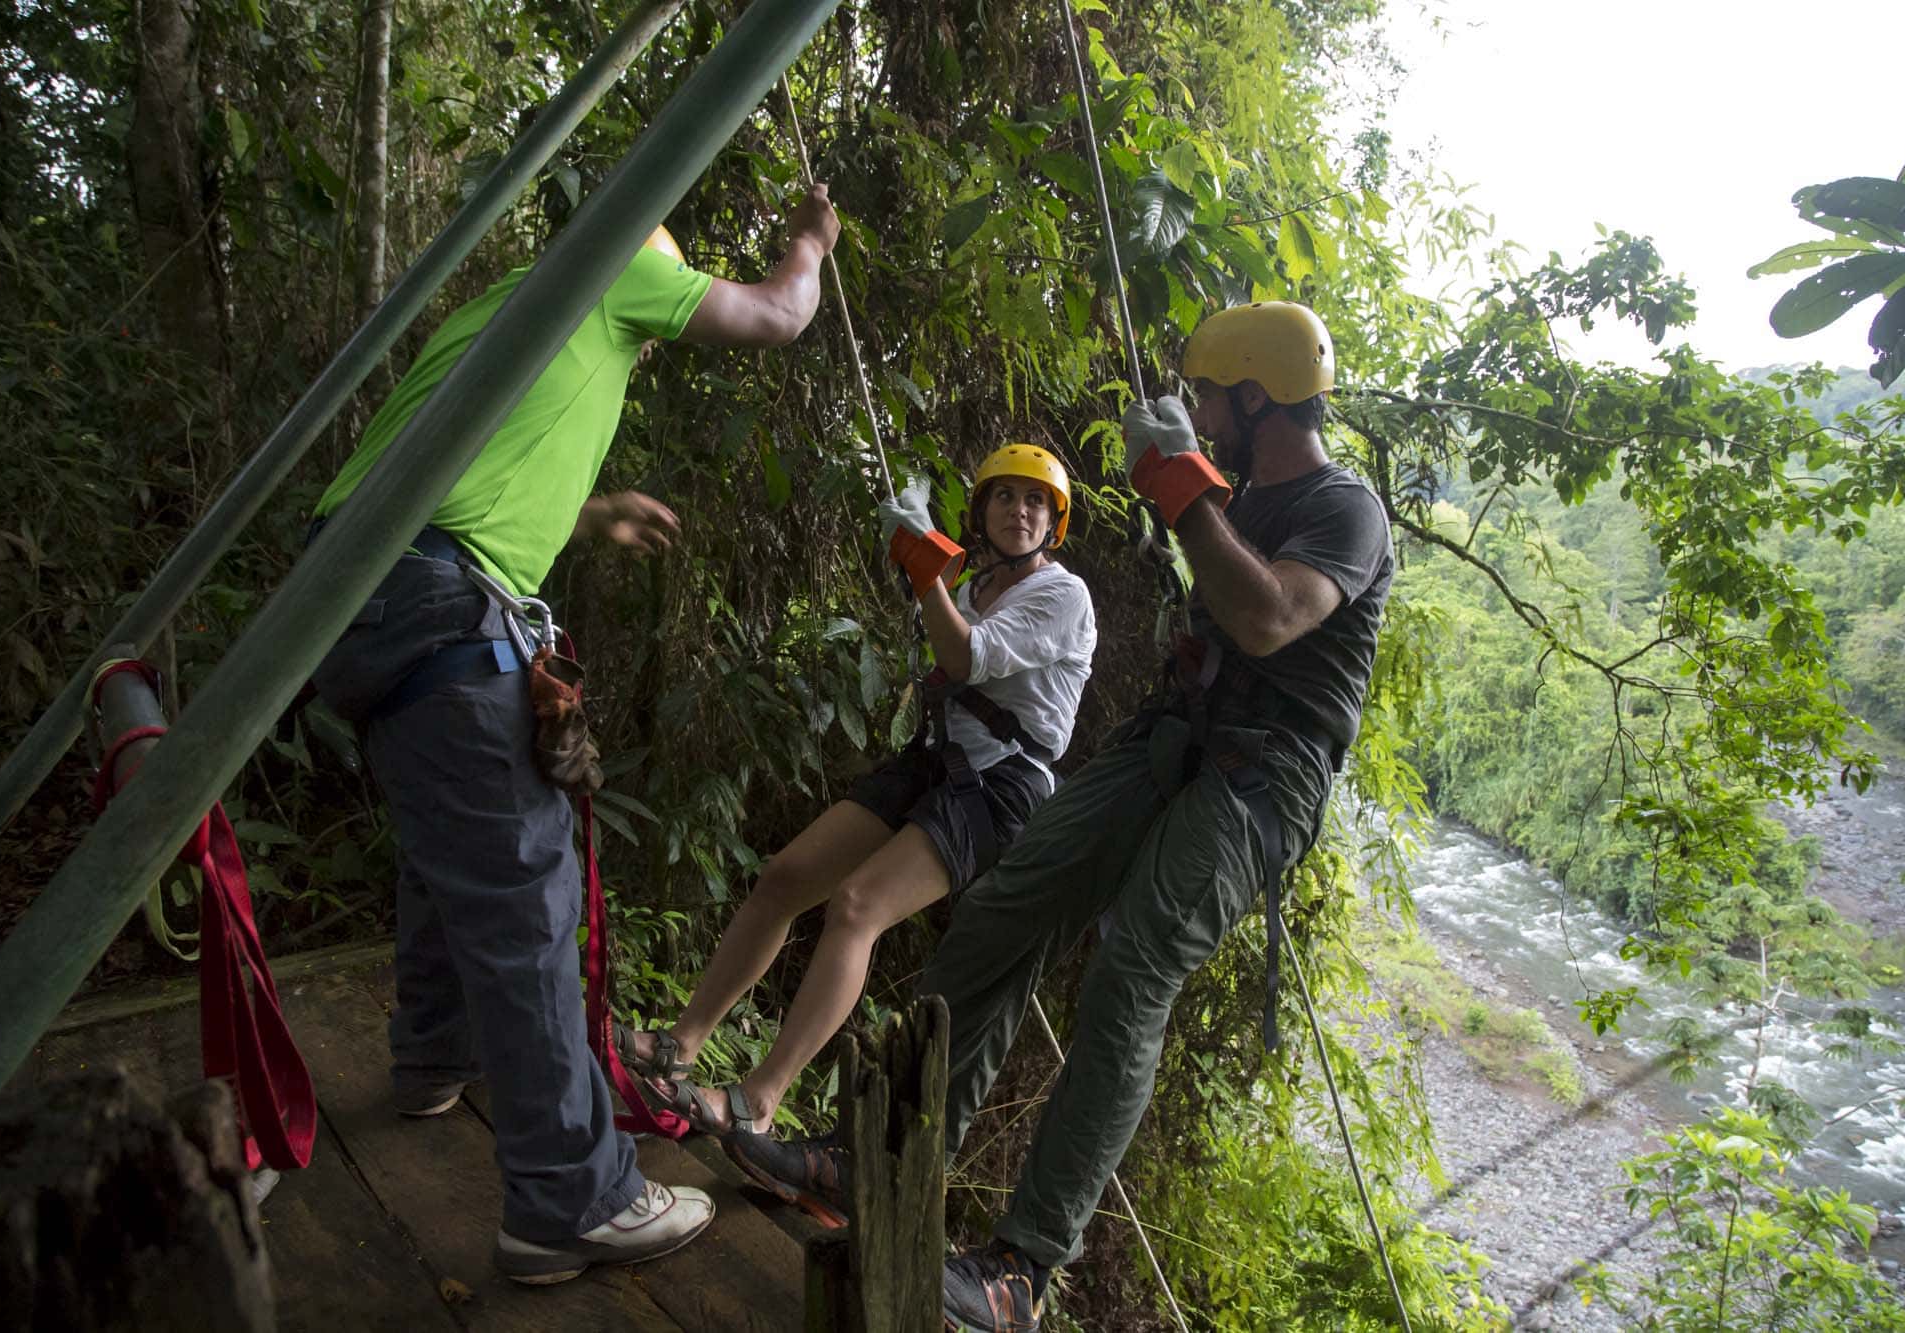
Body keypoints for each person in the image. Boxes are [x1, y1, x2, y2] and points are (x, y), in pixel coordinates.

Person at [757, 301, 1391, 1330]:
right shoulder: (1241, 497)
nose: (1195, 414)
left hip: (1258, 782)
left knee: (1130, 969)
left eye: (1206, 398)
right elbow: (1225, 626)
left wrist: (1183, 492)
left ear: (1251, 395)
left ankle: (1020, 1268)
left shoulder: (1341, 508)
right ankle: (869, 1161)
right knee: (1006, 902)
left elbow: (1272, 618)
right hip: (1172, 743)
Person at [306, 186, 841, 1285]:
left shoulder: (502, 314)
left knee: (446, 834)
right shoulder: (615, 271)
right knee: (525, 882)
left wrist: (591, 517)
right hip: (442, 597)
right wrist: (809, 246)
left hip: (357, 591)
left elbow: (470, 469)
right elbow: (779, 317)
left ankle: (428, 1059)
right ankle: (571, 1197)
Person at [614, 445, 1097, 1221]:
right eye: (1005, 498)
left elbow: (965, 656)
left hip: (1001, 787)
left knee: (856, 905)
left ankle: (757, 1098)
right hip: (939, 759)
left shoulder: (1062, 595)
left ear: (1055, 522)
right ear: (983, 513)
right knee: (784, 876)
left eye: (1037, 503)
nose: (1021, 512)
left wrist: (923, 573)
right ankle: (681, 1042)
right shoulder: (973, 585)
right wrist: (933, 574)